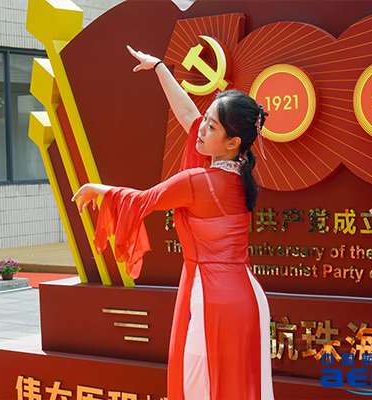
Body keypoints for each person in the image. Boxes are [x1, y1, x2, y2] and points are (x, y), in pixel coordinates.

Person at [72, 46, 274, 399]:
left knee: (200, 389)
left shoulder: (197, 181)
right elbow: (189, 115)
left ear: (232, 141)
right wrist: (159, 68)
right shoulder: (239, 171)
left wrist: (97, 188)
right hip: (247, 298)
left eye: (211, 126)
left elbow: (141, 201)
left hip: (212, 299)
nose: (201, 129)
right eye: (206, 119)